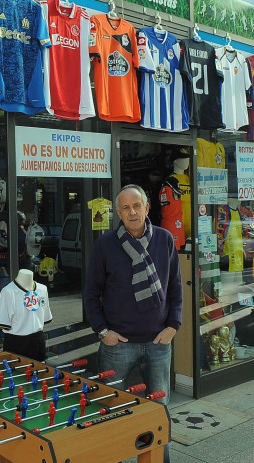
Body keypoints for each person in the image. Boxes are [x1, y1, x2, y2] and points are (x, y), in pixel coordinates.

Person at [84, 184, 182, 463]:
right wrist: (103, 332)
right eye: (125, 208)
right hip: (118, 346)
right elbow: (91, 294)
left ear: (147, 208)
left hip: (158, 344)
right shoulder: (105, 245)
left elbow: (176, 287)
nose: (132, 212)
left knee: (159, 411)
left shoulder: (164, 240)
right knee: (111, 409)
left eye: (136, 205)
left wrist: (173, 326)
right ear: (118, 213)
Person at [0, 269, 52, 361]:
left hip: (38, 340)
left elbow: (45, 317)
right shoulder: (8, 292)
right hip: (16, 342)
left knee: (40, 372)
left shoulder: (42, 289)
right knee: (17, 373)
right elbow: (4, 323)